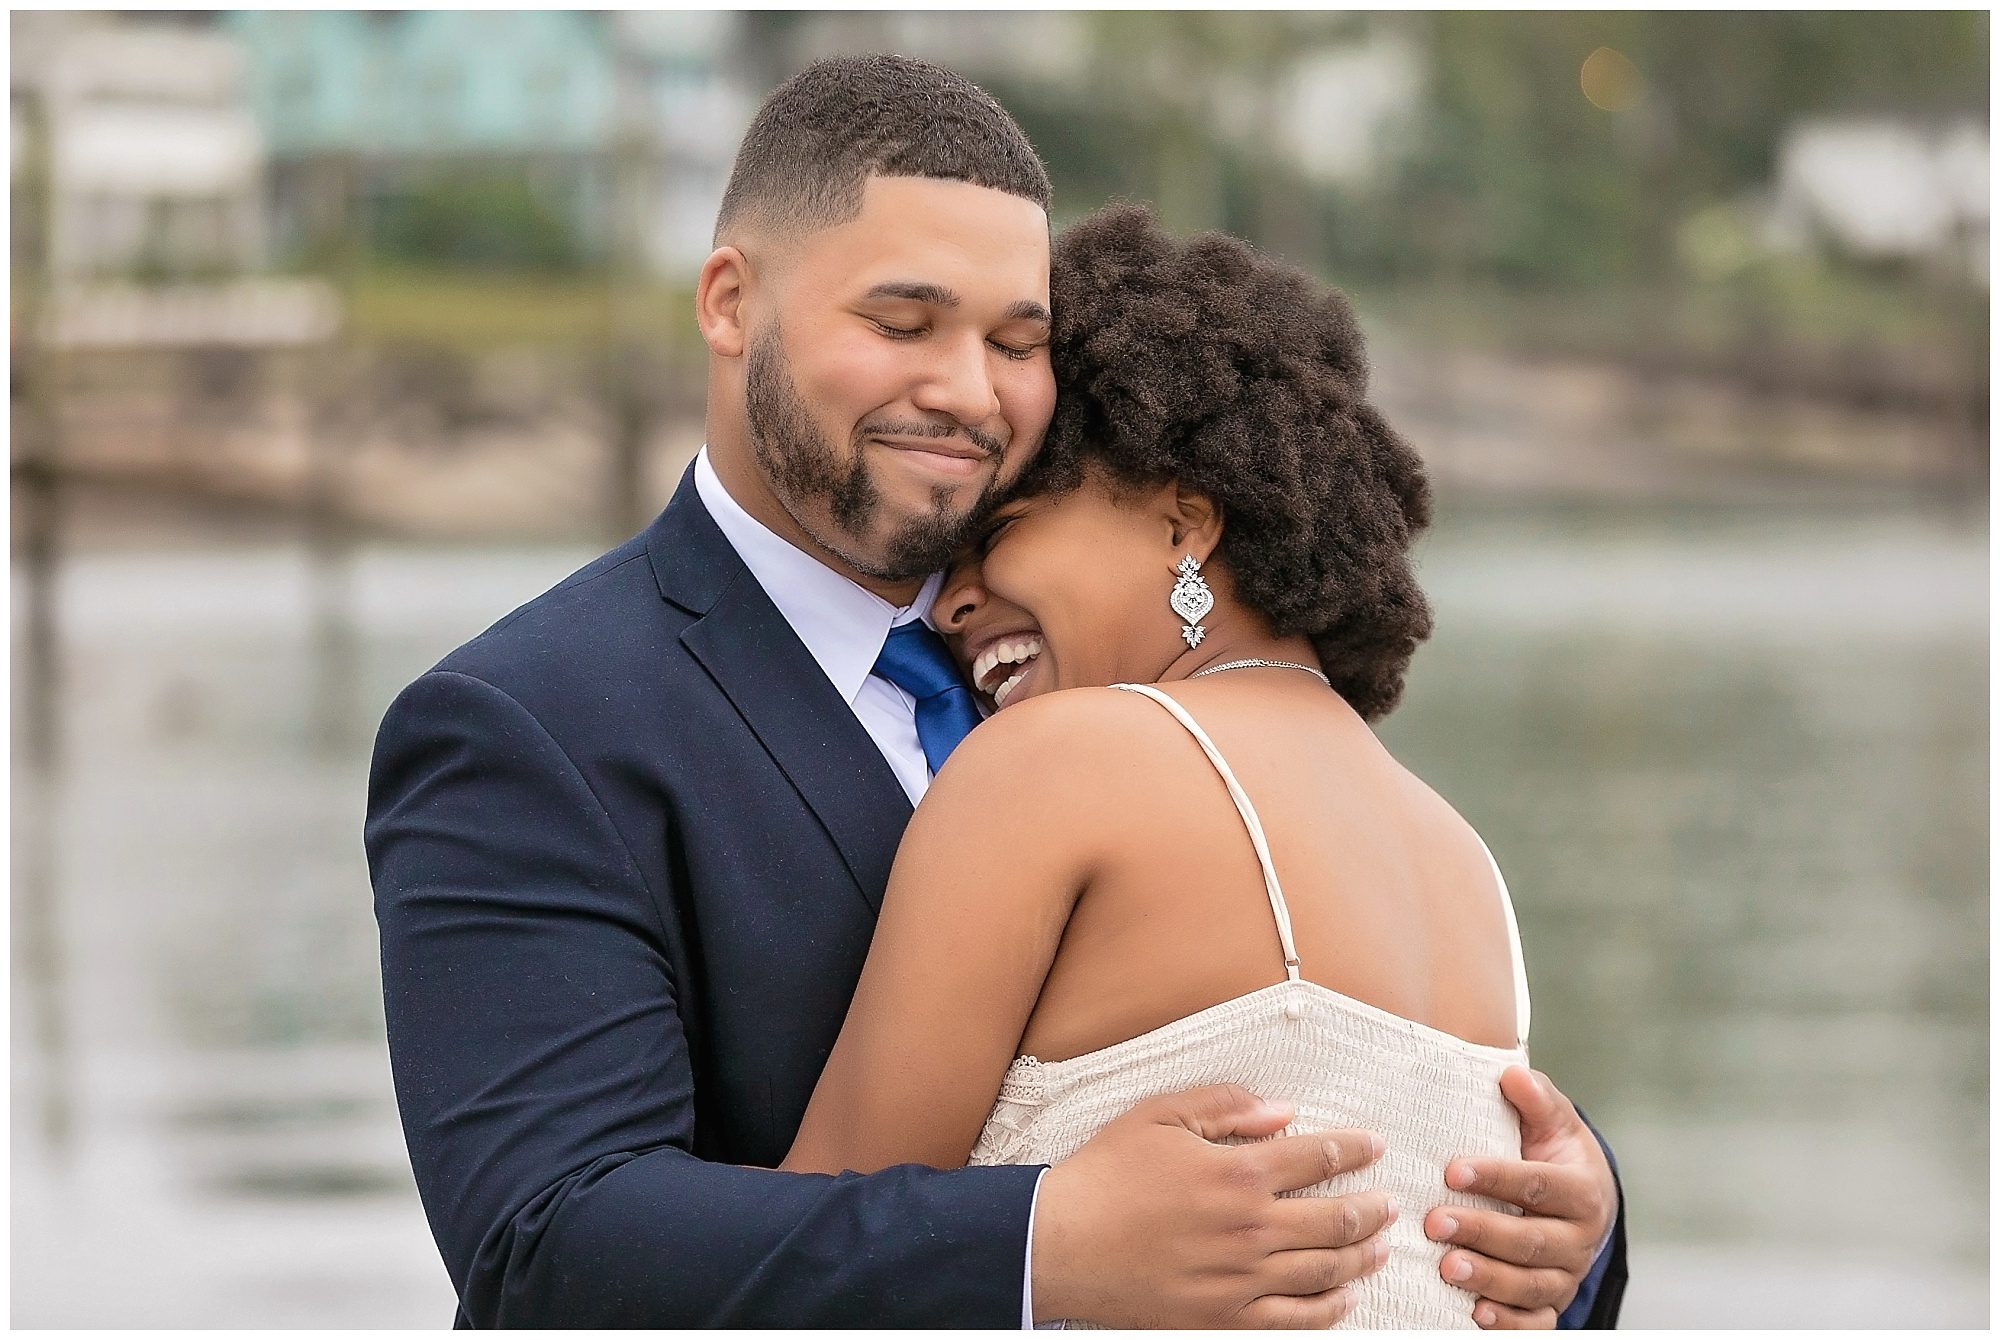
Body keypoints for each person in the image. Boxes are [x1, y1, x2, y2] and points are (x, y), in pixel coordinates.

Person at [367, 54, 1625, 1328]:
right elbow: (542, 1253)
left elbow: (1364, 1098)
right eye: (901, 323)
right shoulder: (528, 723)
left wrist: (1570, 1219)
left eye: (1016, 342)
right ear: (731, 302)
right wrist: (1036, 1242)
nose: (969, 392)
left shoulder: (1093, 677)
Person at [775, 203, 1621, 1329]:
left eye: (1001, 530)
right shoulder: (1463, 861)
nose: (949, 603)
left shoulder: (1057, 766)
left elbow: (805, 1267)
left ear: (1184, 523)